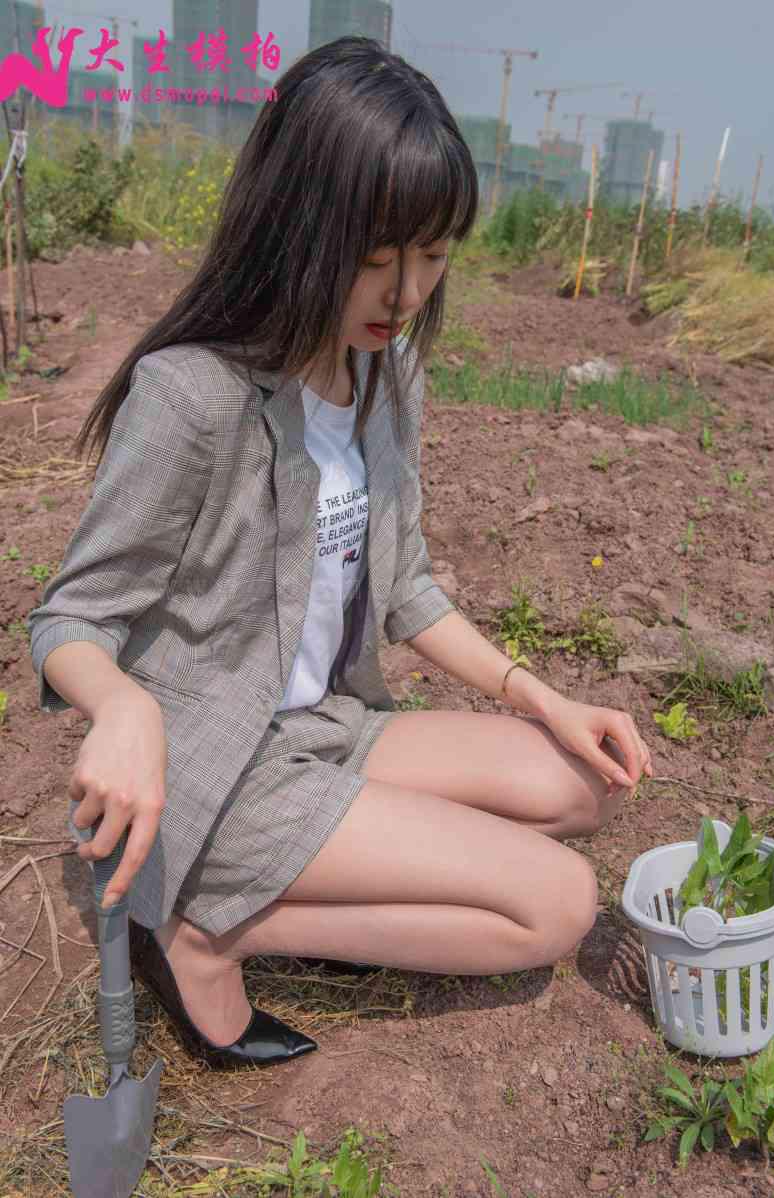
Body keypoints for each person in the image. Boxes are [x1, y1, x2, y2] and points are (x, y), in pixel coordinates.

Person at [27, 36, 653, 1069]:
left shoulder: (384, 377)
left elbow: (405, 588)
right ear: (298, 224)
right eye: (375, 256)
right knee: (557, 902)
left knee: (579, 787)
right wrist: (125, 709)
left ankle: (321, 863)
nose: (405, 291)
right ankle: (203, 931)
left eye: (433, 254)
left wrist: (544, 698)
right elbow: (70, 619)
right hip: (217, 766)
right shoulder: (194, 394)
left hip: (326, 726)